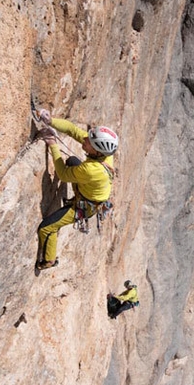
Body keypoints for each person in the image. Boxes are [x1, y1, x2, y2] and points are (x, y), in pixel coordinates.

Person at [35, 109, 118, 270]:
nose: (84, 138)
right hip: (88, 191)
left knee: (46, 228)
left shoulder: (92, 170)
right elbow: (73, 130)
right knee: (73, 160)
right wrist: (50, 120)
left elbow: (64, 175)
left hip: (85, 206)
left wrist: (53, 145)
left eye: (88, 141)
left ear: (96, 150)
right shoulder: (103, 152)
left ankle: (49, 261)